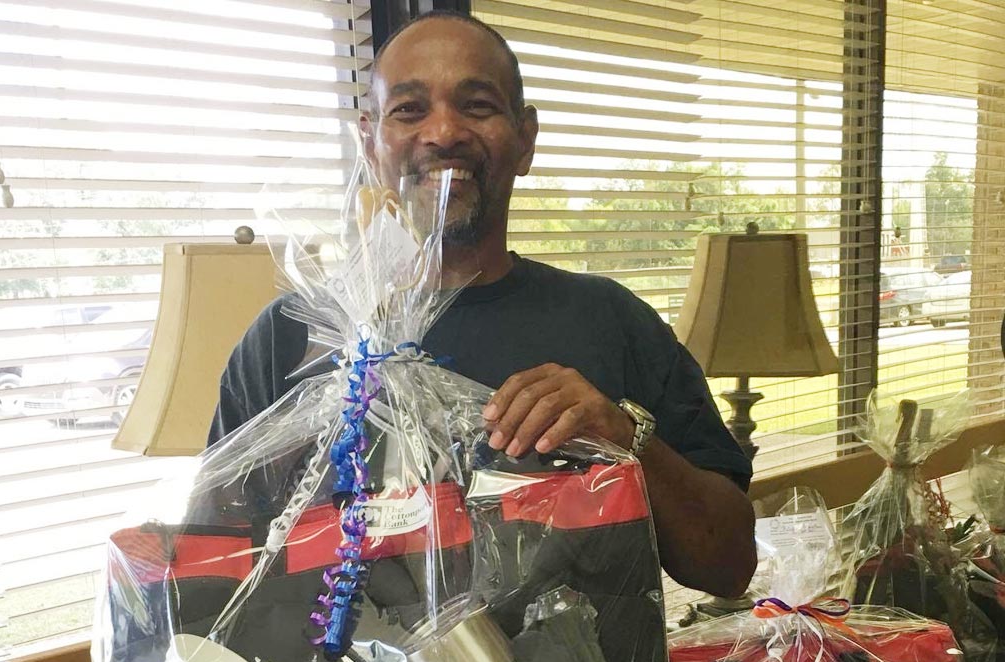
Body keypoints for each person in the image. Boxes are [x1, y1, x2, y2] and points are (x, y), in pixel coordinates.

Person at [210, 10, 756, 598]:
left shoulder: (611, 321)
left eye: (477, 105)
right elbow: (213, 578)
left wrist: (623, 439)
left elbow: (727, 566)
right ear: (370, 141)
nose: (443, 132)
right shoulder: (289, 342)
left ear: (525, 139)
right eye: (409, 109)